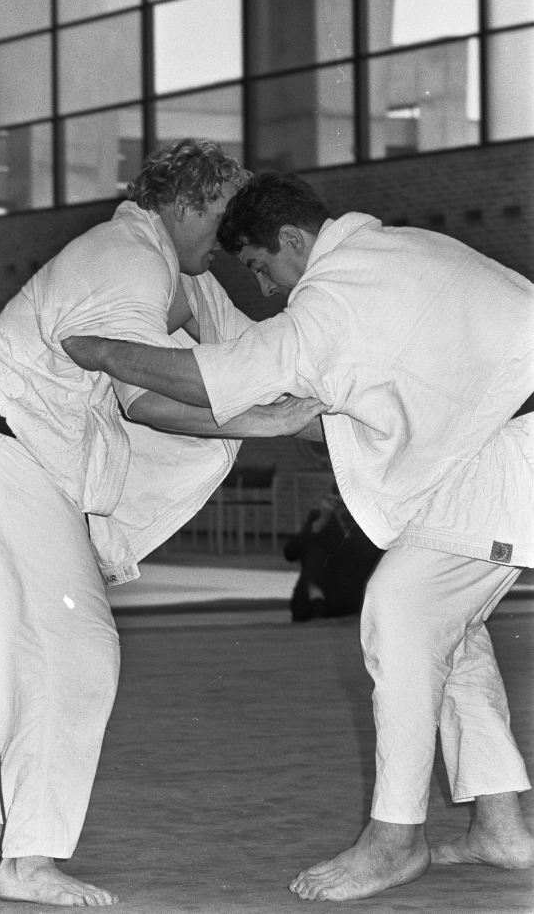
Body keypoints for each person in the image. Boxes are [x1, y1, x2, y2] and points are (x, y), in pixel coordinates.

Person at [63, 171, 534, 902]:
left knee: (402, 611)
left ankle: (394, 838)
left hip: (514, 449)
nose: (268, 290)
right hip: (494, 440)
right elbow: (332, 391)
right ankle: (500, 828)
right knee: (448, 631)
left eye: (258, 268)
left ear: (291, 240)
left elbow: (221, 376)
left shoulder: (334, 295)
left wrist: (105, 353)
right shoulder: (397, 252)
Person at [0, 148, 326, 907]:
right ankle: (29, 859)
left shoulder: (186, 276)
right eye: (221, 214)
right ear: (183, 204)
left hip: (26, 460)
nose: (232, 232)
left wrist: (338, 394)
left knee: (45, 640)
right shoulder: (126, 257)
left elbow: (253, 357)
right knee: (74, 646)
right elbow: (142, 397)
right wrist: (266, 424)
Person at [284, 487, 383, 622]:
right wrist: (318, 525)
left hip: (351, 592)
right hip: (321, 590)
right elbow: (290, 553)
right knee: (314, 547)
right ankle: (316, 599)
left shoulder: (370, 523)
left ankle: (317, 598)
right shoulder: (320, 519)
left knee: (316, 548)